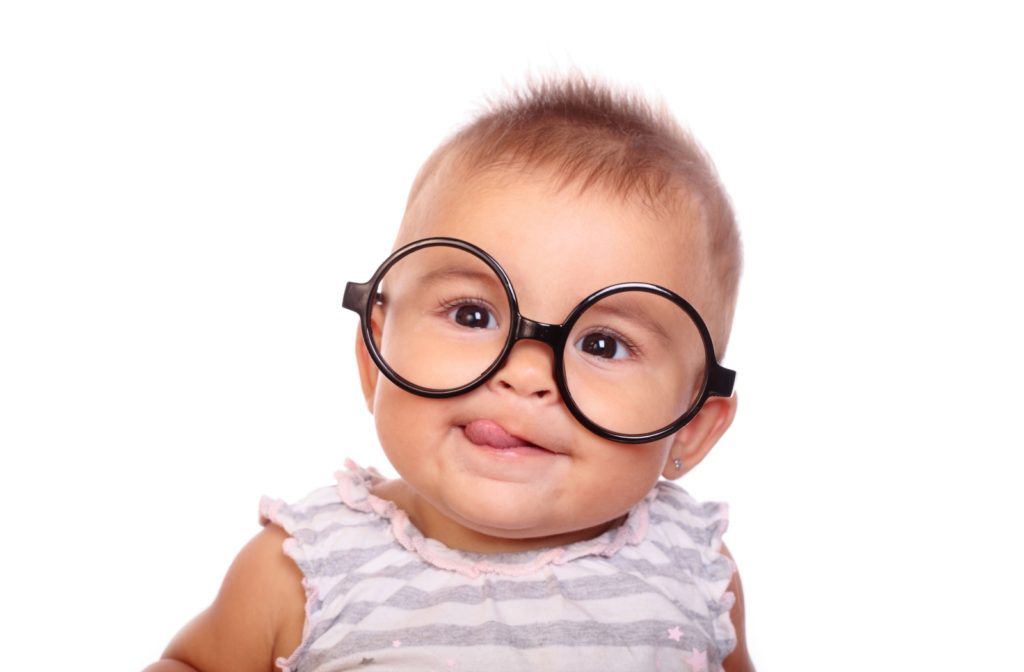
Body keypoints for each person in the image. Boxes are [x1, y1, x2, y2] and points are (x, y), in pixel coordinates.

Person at [146, 76, 754, 672]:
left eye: (602, 343)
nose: (523, 372)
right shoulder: (305, 573)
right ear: (373, 357)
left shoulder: (694, 572)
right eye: (472, 314)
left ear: (692, 427)